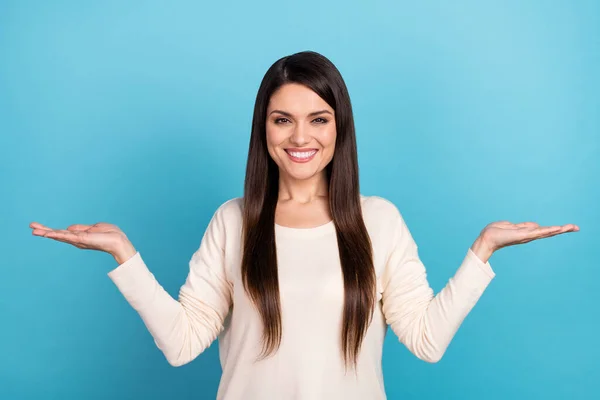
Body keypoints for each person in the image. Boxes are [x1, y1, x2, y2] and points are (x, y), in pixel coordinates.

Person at [29, 51, 579, 400]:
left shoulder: (378, 221)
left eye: (318, 119)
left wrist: (482, 252)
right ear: (263, 128)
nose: (300, 137)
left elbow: (427, 341)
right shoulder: (233, 221)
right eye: (282, 119)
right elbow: (182, 343)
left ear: (339, 129)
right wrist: (125, 255)